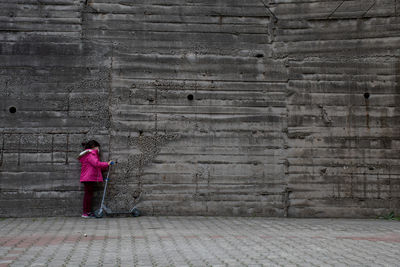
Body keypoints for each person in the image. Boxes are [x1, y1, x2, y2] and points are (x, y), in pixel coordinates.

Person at [78, 140, 114, 218]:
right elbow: (96, 164)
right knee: (88, 195)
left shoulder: (88, 154)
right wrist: (107, 163)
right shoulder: (91, 154)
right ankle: (86, 213)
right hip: (88, 178)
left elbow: (95, 166)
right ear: (94, 147)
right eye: (98, 147)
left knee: (88, 195)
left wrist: (104, 167)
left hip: (88, 177)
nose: (98, 149)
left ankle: (87, 212)